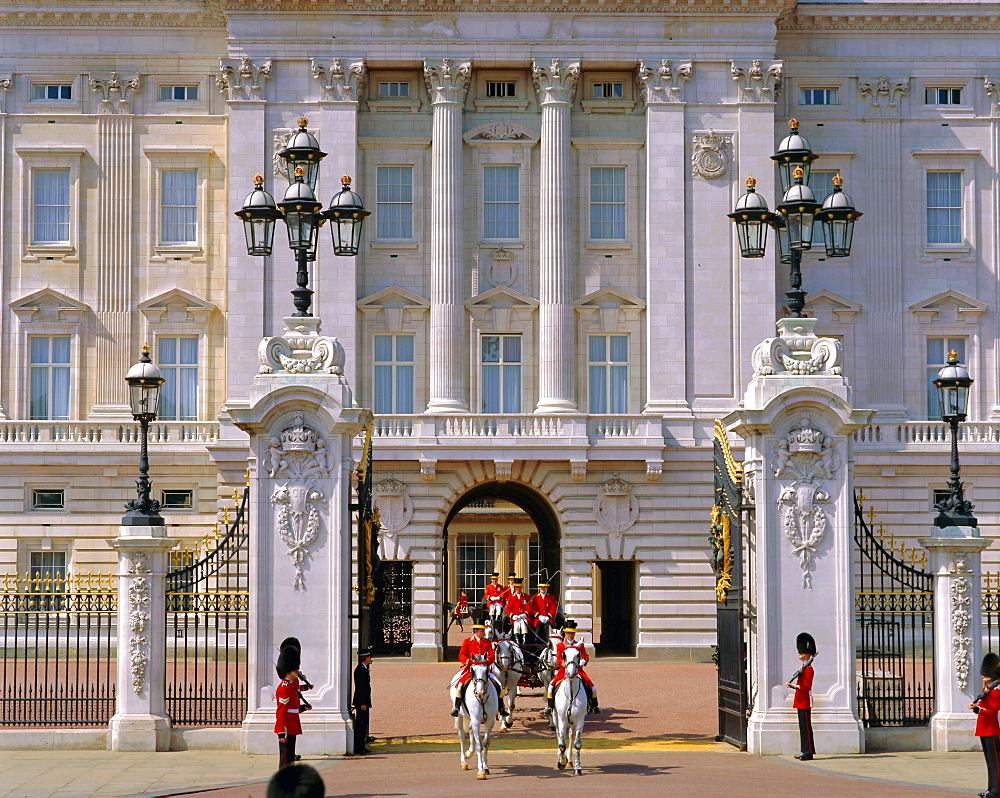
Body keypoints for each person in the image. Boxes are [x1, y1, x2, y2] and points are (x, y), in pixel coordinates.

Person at [449, 622, 507, 718]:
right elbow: (462, 655)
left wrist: (486, 662)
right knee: (459, 685)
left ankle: (501, 708)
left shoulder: (487, 642)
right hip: (471, 669)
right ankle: (456, 707)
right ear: (476, 631)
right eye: (482, 631)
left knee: (499, 684)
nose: (484, 633)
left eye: (484, 630)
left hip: (485, 669)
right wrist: (468, 662)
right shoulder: (467, 641)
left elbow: (491, 655)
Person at [547, 619, 601, 715]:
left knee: (592, 687)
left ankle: (594, 706)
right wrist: (563, 663)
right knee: (551, 686)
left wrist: (583, 660)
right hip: (563, 671)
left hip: (578, 671)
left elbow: (585, 655)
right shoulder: (560, 645)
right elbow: (558, 657)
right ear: (565, 634)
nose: (570, 635)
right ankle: (550, 707)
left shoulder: (579, 645)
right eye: (568, 633)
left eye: (572, 633)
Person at [971, 652, 1000, 798]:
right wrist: (977, 709)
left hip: (992, 729)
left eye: (985, 674)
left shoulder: (995, 691)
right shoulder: (987, 690)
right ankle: (991, 790)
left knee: (994, 763)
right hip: (984, 729)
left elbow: (992, 711)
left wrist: (977, 709)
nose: (983, 676)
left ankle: (995, 790)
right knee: (990, 763)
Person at [785, 632, 817, 761]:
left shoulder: (809, 669)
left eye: (802, 651)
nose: (799, 653)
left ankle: (808, 752)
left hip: (804, 700)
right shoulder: (804, 668)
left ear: (807, 653)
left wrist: (792, 686)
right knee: (802, 728)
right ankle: (804, 750)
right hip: (800, 700)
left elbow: (806, 687)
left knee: (806, 728)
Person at [275, 646, 306, 769]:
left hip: (292, 724)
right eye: (295, 669)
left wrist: (303, 708)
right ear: (289, 670)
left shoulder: (291, 685)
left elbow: (292, 707)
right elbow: (281, 711)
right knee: (285, 759)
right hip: (286, 727)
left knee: (290, 756)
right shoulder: (285, 687)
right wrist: (281, 732)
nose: (297, 671)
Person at [352, 649, 373, 755]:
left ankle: (361, 746)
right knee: (360, 725)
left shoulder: (363, 669)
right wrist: (363, 703)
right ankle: (358, 747)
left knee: (363, 725)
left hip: (363, 701)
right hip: (362, 702)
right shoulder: (360, 670)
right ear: (366, 658)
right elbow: (361, 688)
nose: (370, 659)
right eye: (369, 657)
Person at [505, 578, 532, 648]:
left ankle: (524, 641)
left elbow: (529, 608)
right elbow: (508, 609)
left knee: (523, 624)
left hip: (524, 617)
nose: (518, 589)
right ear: (514, 588)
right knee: (516, 624)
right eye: (517, 587)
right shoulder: (511, 598)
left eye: (520, 587)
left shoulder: (526, 597)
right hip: (515, 618)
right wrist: (513, 616)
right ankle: (517, 641)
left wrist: (524, 615)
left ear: (522, 587)